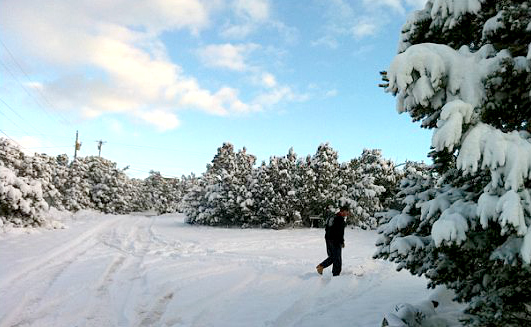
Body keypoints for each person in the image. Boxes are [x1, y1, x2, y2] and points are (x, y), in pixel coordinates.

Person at [316, 205, 348, 276]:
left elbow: (327, 228)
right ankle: (336, 275)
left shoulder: (333, 217)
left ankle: (321, 266)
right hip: (335, 241)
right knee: (337, 259)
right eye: (346, 212)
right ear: (342, 211)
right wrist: (341, 242)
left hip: (328, 239)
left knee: (332, 257)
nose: (347, 214)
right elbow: (340, 233)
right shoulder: (340, 220)